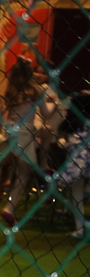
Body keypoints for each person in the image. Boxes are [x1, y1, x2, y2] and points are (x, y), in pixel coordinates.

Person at [0, 60, 56, 225]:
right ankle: (9, 208)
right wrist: (54, 105)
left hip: (11, 131)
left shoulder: (11, 91)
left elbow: (2, 112)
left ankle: (10, 207)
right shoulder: (36, 91)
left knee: (19, 170)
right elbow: (45, 113)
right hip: (25, 132)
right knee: (25, 172)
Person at [56, 89, 90, 238]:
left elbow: (64, 144)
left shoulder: (72, 128)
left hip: (76, 166)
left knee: (77, 197)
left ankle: (80, 229)